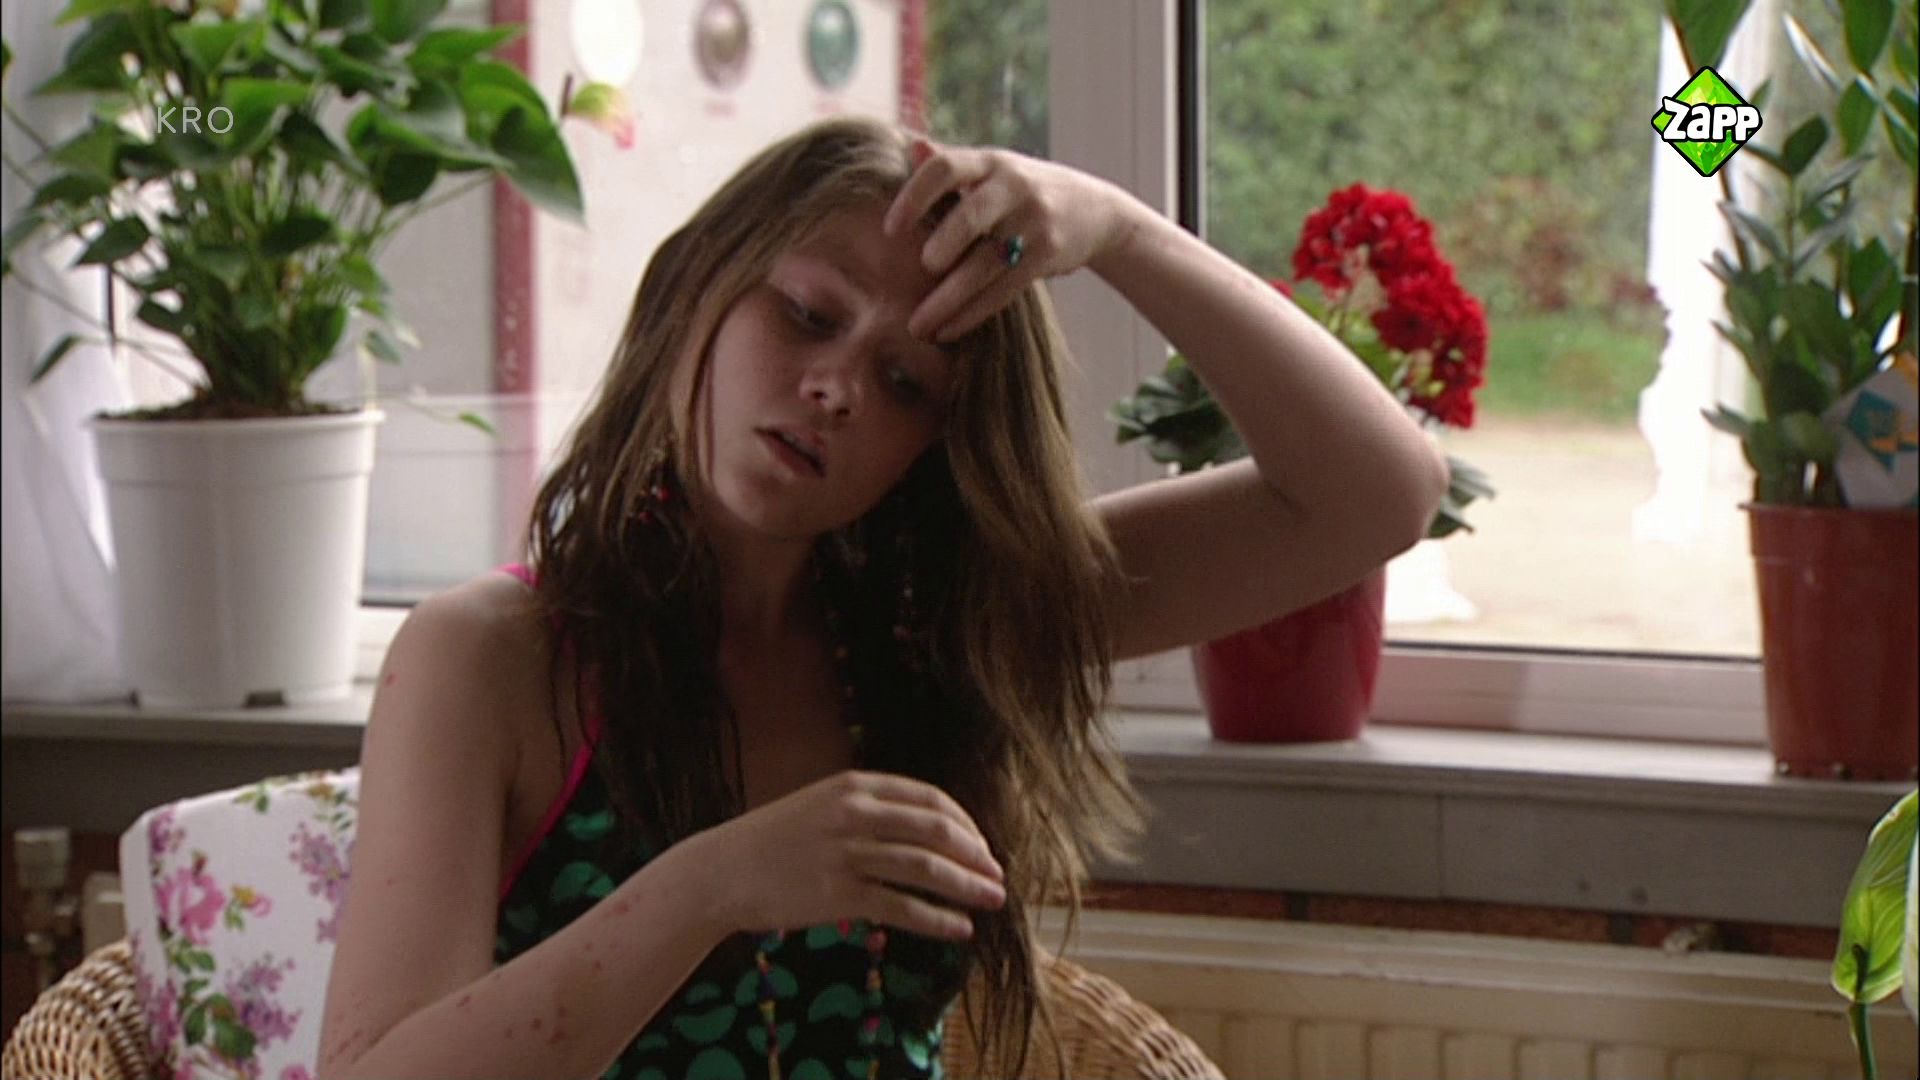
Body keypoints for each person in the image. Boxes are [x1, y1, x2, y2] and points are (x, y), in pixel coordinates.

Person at [316, 115, 1448, 1080]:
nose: (837, 388)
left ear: (932, 449)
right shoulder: (494, 657)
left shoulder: (946, 631)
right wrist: (712, 887)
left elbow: (1379, 494)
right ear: (696, 286)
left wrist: (1119, 231)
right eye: (809, 314)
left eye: (906, 381)